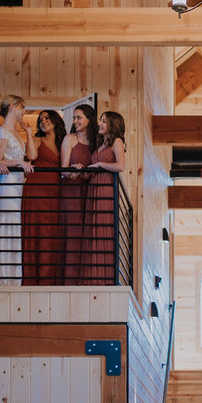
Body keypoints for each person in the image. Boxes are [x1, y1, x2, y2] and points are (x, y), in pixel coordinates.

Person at [0, 95, 36, 285]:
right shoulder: (2, 132)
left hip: (18, 186)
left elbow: (32, 155)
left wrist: (29, 132)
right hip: (7, 186)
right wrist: (18, 162)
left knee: (14, 227)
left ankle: (13, 277)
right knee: (6, 227)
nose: (24, 112)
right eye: (23, 108)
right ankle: (2, 277)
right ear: (14, 107)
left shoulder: (16, 133)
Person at [22, 110, 68, 285]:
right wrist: (27, 132)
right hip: (37, 191)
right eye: (41, 120)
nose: (43, 122)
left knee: (51, 234)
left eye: (47, 118)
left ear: (56, 121)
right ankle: (32, 279)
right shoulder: (37, 140)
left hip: (56, 193)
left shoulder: (63, 141)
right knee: (37, 232)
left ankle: (50, 278)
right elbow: (32, 156)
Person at [81, 111, 126, 285]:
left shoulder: (117, 142)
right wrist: (85, 168)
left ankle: (102, 277)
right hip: (94, 186)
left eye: (104, 121)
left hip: (106, 188)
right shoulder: (101, 144)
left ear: (113, 124)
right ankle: (91, 275)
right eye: (100, 121)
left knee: (101, 227)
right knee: (93, 227)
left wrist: (99, 164)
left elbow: (121, 166)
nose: (100, 124)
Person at [60, 104, 97, 285]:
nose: (75, 121)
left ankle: (85, 279)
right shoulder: (69, 139)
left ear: (89, 119)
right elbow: (63, 169)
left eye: (79, 117)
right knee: (73, 233)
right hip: (72, 190)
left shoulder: (96, 142)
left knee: (86, 232)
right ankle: (70, 280)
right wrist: (73, 171)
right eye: (74, 118)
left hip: (88, 191)